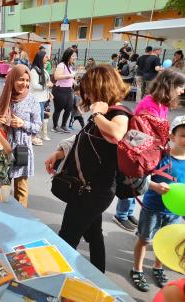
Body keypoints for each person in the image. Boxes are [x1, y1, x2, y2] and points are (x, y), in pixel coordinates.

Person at [45, 65, 131, 273]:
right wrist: (59, 153)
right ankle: (98, 275)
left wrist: (98, 115)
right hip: (88, 189)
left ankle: (57, 278)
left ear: (101, 88)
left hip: (94, 192)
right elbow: (82, 138)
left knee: (66, 238)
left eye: (90, 91)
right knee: (94, 234)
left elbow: (117, 133)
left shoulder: (118, 112)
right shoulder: (103, 112)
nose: (87, 96)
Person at [113, 69, 185, 232]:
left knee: (140, 182)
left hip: (149, 150)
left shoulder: (161, 103)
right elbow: (148, 131)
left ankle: (128, 212)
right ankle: (121, 214)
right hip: (140, 150)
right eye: (181, 87)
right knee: (135, 180)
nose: (182, 90)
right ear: (170, 86)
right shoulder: (149, 103)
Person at [130, 116, 185, 292]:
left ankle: (158, 267)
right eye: (183, 135)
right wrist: (154, 186)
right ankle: (137, 269)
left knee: (166, 241)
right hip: (152, 207)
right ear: (171, 136)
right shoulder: (159, 156)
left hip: (175, 212)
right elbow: (141, 177)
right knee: (144, 239)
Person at [0, 65, 42, 208]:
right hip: (3, 149)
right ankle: (3, 217)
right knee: (2, 187)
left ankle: (20, 221)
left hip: (22, 150)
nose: (25, 84)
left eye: (27, 81)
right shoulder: (2, 98)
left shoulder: (32, 100)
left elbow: (37, 126)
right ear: (12, 79)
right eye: (21, 79)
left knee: (21, 189)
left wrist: (22, 123)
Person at [52, 48, 77, 133]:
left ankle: (63, 125)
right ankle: (55, 126)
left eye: (75, 56)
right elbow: (57, 76)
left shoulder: (70, 66)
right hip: (60, 89)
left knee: (69, 108)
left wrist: (74, 81)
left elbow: (68, 77)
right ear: (68, 56)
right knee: (58, 109)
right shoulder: (61, 65)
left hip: (68, 90)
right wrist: (70, 75)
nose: (75, 57)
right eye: (73, 56)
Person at [30, 51, 52, 146]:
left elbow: (47, 82)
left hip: (43, 98)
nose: (47, 59)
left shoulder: (43, 69)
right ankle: (33, 136)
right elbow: (34, 85)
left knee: (40, 118)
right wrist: (47, 86)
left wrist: (49, 93)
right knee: (37, 118)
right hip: (37, 98)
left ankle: (35, 135)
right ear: (40, 58)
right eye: (45, 57)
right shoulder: (34, 70)